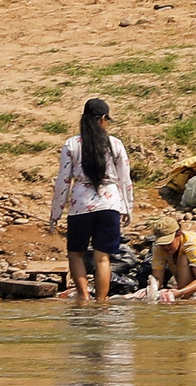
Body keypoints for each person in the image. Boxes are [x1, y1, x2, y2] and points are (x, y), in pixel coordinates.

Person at [49, 98, 133, 302]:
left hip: (81, 205)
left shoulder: (72, 144)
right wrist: (127, 208)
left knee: (76, 253)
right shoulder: (115, 144)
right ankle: (101, 302)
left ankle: (84, 297)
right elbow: (125, 179)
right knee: (102, 257)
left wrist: (56, 213)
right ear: (104, 119)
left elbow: (63, 181)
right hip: (110, 203)